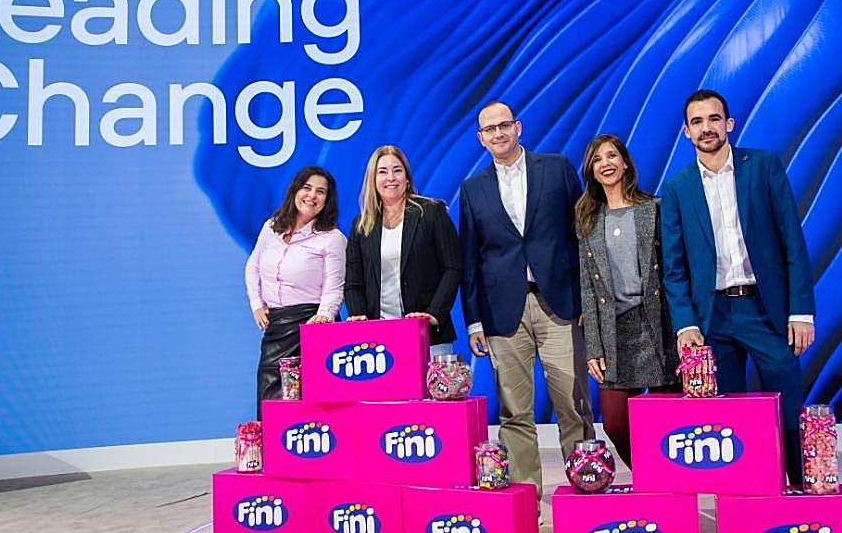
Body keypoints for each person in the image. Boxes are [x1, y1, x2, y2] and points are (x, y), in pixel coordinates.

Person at [660, 89, 815, 486]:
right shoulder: (677, 189)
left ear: (729, 124)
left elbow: (791, 243)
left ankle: (799, 488)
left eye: (714, 119)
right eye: (697, 121)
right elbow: (674, 267)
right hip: (713, 317)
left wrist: (801, 311)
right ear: (685, 132)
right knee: (729, 418)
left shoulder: (762, 167)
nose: (706, 127)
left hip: (766, 310)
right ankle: (746, 498)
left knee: (788, 408)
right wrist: (685, 323)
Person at [459, 101, 595, 498]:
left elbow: (582, 237)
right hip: (503, 314)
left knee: (573, 405)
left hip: (561, 305)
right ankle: (525, 502)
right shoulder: (472, 189)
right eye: (490, 130)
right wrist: (473, 321)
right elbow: (471, 260)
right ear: (481, 139)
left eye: (504, 126)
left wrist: (588, 299)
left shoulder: (556, 169)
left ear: (518, 127)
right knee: (515, 412)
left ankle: (585, 490)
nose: (499, 134)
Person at [576, 134, 679, 469]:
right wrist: (593, 346)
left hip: (657, 325)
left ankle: (667, 486)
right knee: (616, 422)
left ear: (624, 163)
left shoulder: (654, 208)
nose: (606, 163)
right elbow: (588, 289)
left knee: (666, 421)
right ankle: (651, 474)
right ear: (591, 171)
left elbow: (676, 273)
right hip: (614, 331)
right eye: (597, 159)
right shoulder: (587, 220)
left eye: (612, 156)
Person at [245, 166, 347, 417]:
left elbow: (335, 286)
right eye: (307, 187)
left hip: (313, 324)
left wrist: (324, 316)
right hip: (276, 326)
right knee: (270, 400)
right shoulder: (272, 227)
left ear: (327, 202)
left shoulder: (332, 238)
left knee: (312, 403)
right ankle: (273, 453)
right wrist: (257, 304)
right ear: (295, 190)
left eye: (320, 192)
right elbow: (253, 266)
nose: (312, 196)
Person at [344, 145, 461, 355]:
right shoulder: (360, 226)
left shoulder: (432, 212)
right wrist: (359, 314)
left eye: (397, 170)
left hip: (428, 334)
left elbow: (453, 267)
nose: (391, 177)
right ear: (373, 179)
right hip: (377, 342)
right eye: (382, 171)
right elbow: (353, 283)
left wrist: (434, 314)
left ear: (407, 177)